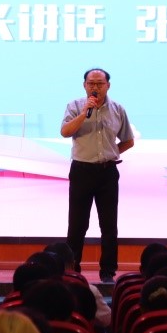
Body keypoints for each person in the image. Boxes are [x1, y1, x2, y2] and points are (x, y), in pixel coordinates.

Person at [60, 68, 135, 284]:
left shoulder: (118, 109)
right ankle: (73, 270)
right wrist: (85, 112)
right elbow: (65, 132)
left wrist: (110, 153)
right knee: (77, 225)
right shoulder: (75, 106)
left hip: (107, 172)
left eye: (99, 83)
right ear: (84, 85)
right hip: (81, 171)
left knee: (109, 226)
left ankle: (108, 272)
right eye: (91, 83)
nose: (95, 87)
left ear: (108, 86)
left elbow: (128, 141)